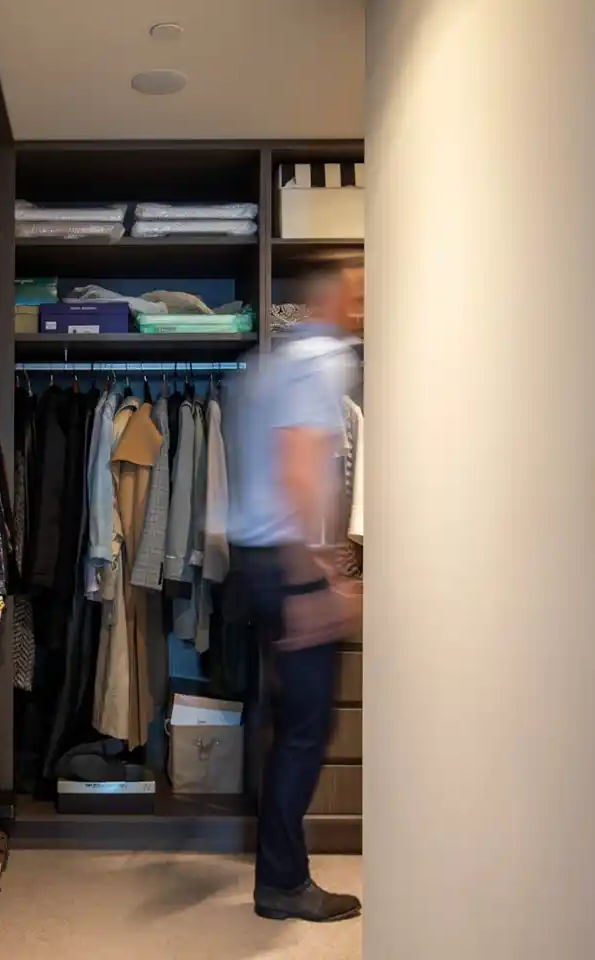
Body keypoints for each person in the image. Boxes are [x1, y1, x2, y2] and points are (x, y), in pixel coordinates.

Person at [226, 261, 364, 923]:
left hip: (255, 560)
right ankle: (282, 883)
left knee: (287, 725)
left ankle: (279, 874)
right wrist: (318, 579)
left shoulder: (268, 365)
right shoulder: (322, 362)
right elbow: (300, 469)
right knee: (307, 730)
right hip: (286, 563)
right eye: (357, 295)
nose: (362, 309)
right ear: (332, 300)